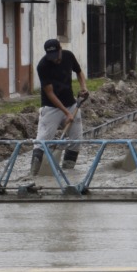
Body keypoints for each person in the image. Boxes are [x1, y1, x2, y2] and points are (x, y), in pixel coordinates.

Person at [32, 38, 89, 177]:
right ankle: (34, 174)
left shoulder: (68, 56)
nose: (54, 59)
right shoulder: (42, 66)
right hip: (51, 107)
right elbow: (50, 93)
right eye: (50, 57)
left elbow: (79, 72)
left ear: (60, 50)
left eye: (56, 56)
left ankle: (68, 174)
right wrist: (66, 113)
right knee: (42, 141)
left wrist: (83, 87)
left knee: (76, 140)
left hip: (71, 103)